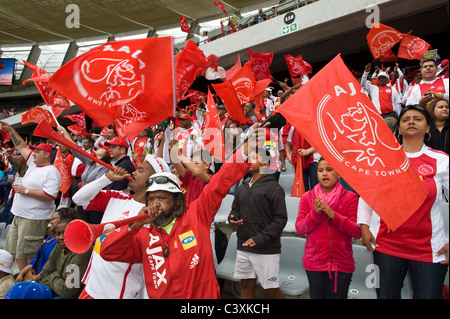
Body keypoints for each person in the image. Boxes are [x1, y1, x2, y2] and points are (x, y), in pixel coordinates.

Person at [99, 137, 253, 299]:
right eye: (150, 199)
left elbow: (220, 182)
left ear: (177, 201)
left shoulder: (197, 214)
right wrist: (133, 226)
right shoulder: (143, 236)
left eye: (162, 198)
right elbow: (108, 251)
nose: (154, 204)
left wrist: (246, 149)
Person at [358, 104, 449, 299]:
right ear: (398, 128)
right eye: (406, 119)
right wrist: (364, 226)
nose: (411, 122)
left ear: (427, 128)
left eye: (418, 119)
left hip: (429, 249)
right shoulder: (383, 159)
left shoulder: (441, 160)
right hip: (387, 245)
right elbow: (368, 194)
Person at [72, 155, 170, 299]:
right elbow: (78, 199)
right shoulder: (116, 196)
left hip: (116, 293)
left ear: (153, 182)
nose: (134, 172)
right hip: (91, 286)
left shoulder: (152, 216)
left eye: (141, 170)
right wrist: (107, 178)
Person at [295, 158, 361, 299]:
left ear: (339, 174)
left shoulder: (351, 197)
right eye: (320, 170)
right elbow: (300, 229)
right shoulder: (308, 197)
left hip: (342, 264)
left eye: (329, 170)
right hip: (314, 263)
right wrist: (315, 213)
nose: (324, 173)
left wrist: (333, 215)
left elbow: (356, 232)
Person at [0, 121, 61, 271]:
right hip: (19, 215)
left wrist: (25, 191)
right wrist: (10, 129)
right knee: (16, 251)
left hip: (33, 218)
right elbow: (21, 146)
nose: (33, 153)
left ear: (46, 154)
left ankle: (29, 281)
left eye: (37, 152)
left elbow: (50, 195)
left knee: (28, 254)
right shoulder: (34, 164)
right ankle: (21, 278)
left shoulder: (52, 172)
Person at [228, 147, 287, 299]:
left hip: (266, 248)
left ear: (266, 164)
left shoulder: (275, 188)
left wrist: (260, 238)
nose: (249, 161)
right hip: (244, 244)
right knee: (246, 285)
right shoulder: (242, 186)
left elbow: (281, 219)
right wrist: (233, 218)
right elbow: (235, 209)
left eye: (254, 157)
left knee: (270, 291)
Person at [15, 207, 81, 282]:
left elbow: (53, 268)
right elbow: (36, 259)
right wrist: (21, 273)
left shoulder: (61, 243)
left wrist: (34, 280)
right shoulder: (51, 237)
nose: (51, 221)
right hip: (37, 276)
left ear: (63, 219)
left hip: (48, 281)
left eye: (54, 218)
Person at [36, 218, 92, 299]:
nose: (61, 237)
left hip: (79, 295)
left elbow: (68, 292)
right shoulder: (59, 247)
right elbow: (43, 276)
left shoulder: (82, 252)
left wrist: (54, 274)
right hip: (58, 290)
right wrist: (60, 278)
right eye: (58, 234)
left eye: (66, 233)